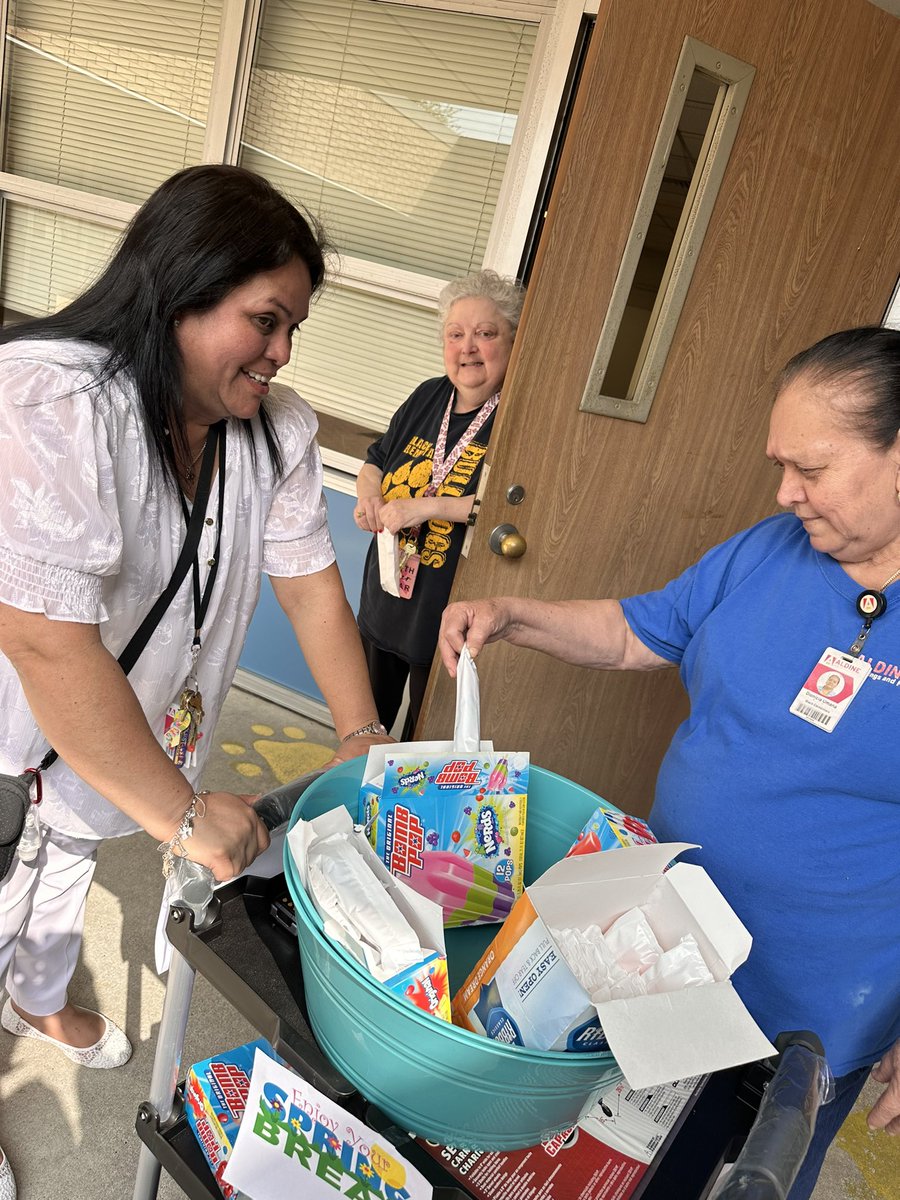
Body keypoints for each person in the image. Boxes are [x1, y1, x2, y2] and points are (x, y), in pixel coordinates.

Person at [438, 326, 900, 1199]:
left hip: (812, 1008)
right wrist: (510, 613)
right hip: (662, 948)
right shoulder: (769, 552)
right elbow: (631, 632)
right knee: (618, 1162)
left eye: (813, 469)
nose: (785, 491)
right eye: (780, 464)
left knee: (736, 1178)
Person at [0, 164, 390, 1197]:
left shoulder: (275, 432)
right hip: (17, 732)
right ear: (181, 292)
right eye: (265, 320)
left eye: (294, 328)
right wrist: (185, 819)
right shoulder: (51, 401)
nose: (282, 353)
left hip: (117, 739)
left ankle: (38, 996)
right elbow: (47, 645)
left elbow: (310, 589)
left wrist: (361, 737)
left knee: (72, 856)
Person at [353, 268, 524, 739]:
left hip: (448, 614)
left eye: (485, 333)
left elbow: (509, 507)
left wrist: (423, 508)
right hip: (388, 595)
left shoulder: (518, 415)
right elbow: (375, 461)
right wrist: (370, 497)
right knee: (364, 731)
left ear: (513, 341)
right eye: (456, 334)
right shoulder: (429, 394)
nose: (467, 347)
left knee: (421, 745)